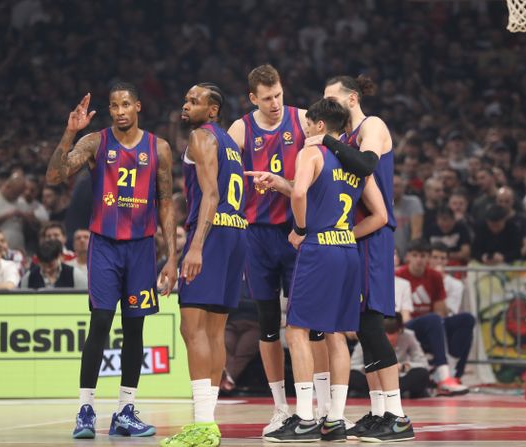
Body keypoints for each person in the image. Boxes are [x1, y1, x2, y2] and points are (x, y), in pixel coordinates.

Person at [251, 98, 387, 443]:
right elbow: (381, 216)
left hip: (319, 250)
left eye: (309, 125)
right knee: (336, 334)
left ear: (320, 126)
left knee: (297, 331)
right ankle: (335, 419)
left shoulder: (311, 152)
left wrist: (300, 229)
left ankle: (305, 418)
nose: (305, 130)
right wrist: (345, 234)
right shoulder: (356, 163)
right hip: (347, 251)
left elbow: (300, 193)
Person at [45, 84, 177, 439]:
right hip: (104, 245)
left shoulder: (159, 148)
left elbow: (166, 202)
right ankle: (85, 410)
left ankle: (125, 411)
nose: (119, 111)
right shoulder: (95, 142)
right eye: (114, 106)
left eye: (125, 104)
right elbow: (54, 176)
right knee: (101, 322)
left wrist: (172, 257)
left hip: (141, 249)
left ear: (138, 107)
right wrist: (70, 132)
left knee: (135, 328)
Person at [307, 75, 414, 442]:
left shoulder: (373, 126)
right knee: (362, 327)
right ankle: (380, 411)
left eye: (333, 97)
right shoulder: (346, 139)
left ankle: (398, 416)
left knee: (371, 325)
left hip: (373, 235)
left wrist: (326, 140)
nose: (328, 103)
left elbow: (367, 165)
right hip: (352, 236)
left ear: (352, 98)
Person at [228, 64, 331, 434]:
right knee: (268, 324)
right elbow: (224, 180)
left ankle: (324, 408)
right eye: (266, 98)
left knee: (312, 325)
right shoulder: (240, 129)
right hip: (257, 236)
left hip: (296, 233)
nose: (274, 103)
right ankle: (280, 408)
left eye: (278, 95)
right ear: (252, 98)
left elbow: (325, 173)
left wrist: (287, 187)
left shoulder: (303, 120)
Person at [161, 83, 247, 447]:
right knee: (214, 332)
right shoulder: (230, 144)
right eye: (185, 99)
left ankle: (201, 423)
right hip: (236, 233)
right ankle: (208, 424)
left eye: (194, 101)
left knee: (192, 328)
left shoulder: (201, 136)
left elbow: (210, 194)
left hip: (210, 236)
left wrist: (194, 247)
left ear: (212, 110)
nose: (186, 105)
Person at [396, 239, 472, 393]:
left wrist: (442, 283)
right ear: (408, 257)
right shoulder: (399, 276)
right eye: (415, 255)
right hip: (408, 324)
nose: (419, 260)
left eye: (423, 256)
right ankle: (444, 375)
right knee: (433, 319)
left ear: (428, 258)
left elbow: (440, 311)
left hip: (432, 324)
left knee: (466, 319)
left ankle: (453, 372)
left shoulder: (435, 276)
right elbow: (402, 314)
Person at [19, 239, 88, 289]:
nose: (47, 269)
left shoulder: (74, 274)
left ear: (60, 256)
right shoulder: (29, 277)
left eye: (51, 265)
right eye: (43, 266)